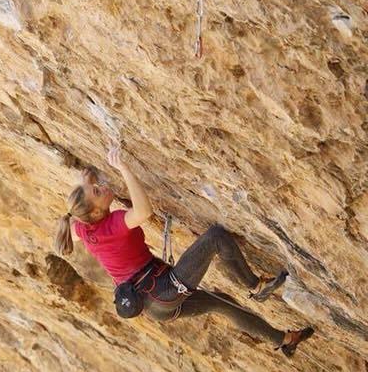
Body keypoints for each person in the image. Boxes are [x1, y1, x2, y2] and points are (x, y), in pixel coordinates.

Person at [53, 146, 314, 357]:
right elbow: (143, 211)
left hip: (154, 306)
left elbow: (75, 222)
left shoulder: (85, 229)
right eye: (97, 190)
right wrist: (123, 168)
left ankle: (284, 340)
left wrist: (83, 184)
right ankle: (256, 286)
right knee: (215, 237)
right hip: (162, 290)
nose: (102, 186)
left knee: (224, 304)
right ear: (96, 212)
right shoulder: (112, 225)